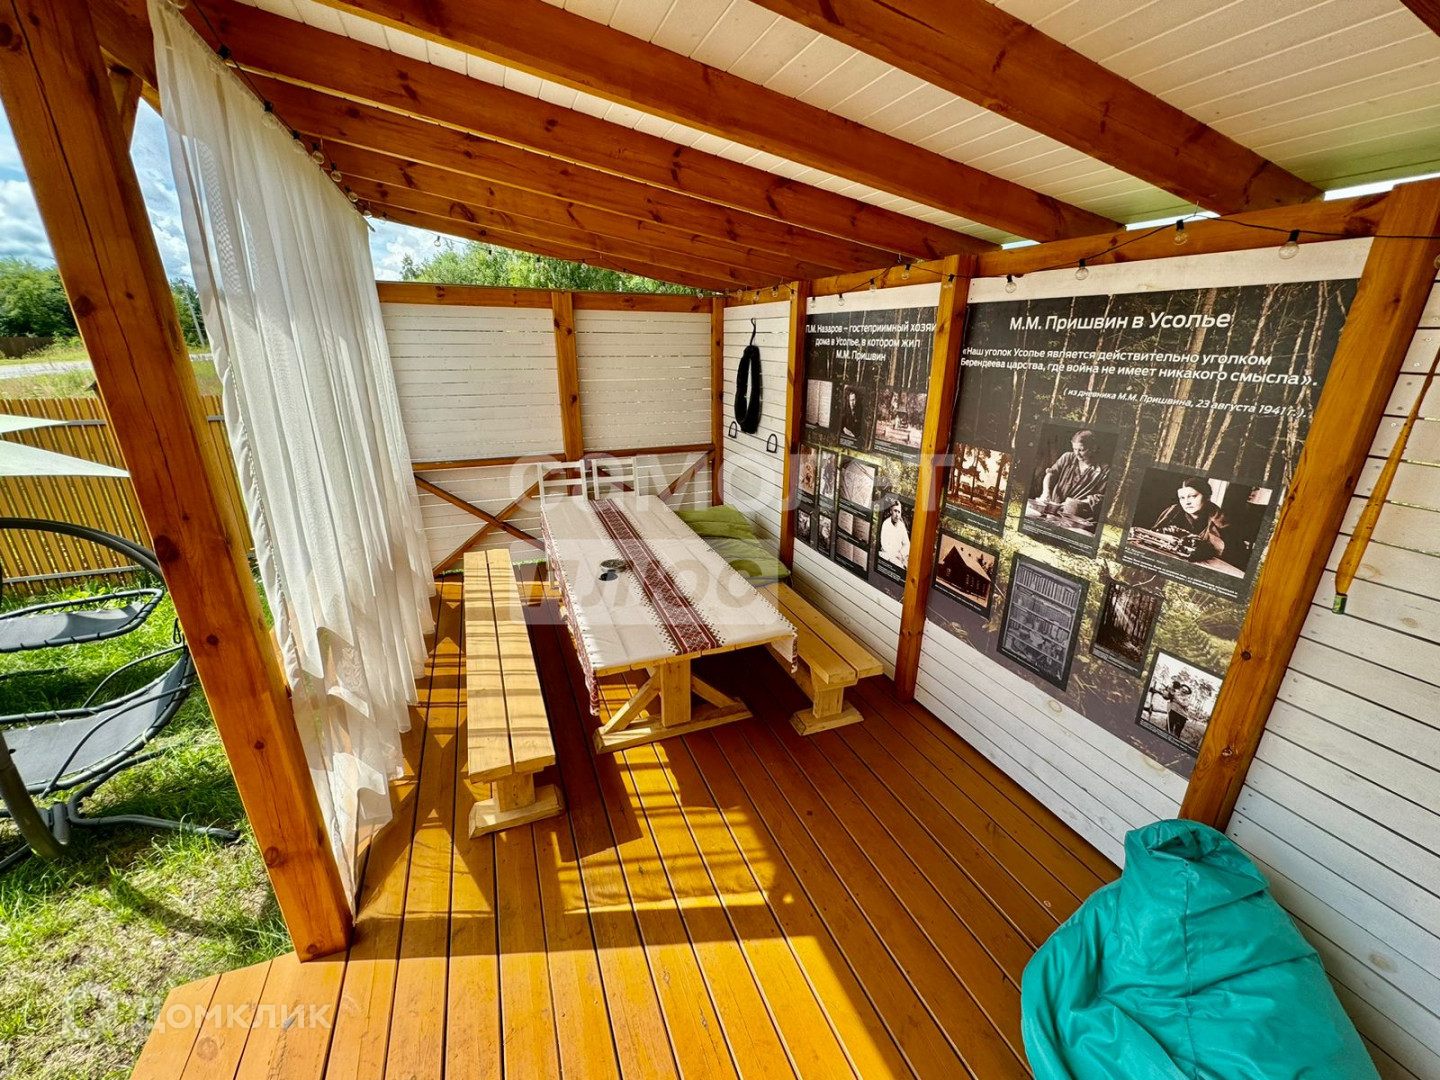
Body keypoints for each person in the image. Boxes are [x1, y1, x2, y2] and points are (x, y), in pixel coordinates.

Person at [1038, 430, 1109, 522]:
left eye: (1081, 450)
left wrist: (1073, 504)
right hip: (1054, 506)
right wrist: (1045, 492)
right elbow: (1051, 474)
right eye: (1074, 449)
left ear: (1093, 448)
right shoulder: (1067, 457)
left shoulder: (1104, 470)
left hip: (1076, 515)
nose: (1077, 453)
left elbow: (1101, 497)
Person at [1151, 476, 1227, 562]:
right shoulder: (1173, 512)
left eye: (1192, 496)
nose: (1187, 502)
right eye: (1182, 498)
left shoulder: (1220, 520)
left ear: (1207, 496)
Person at [878, 500, 910, 567]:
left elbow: (907, 544)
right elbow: (885, 545)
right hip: (888, 555)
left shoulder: (901, 526)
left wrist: (901, 553)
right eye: (895, 511)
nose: (897, 514)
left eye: (899, 512)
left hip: (900, 555)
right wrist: (896, 554)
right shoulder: (886, 524)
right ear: (891, 511)